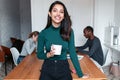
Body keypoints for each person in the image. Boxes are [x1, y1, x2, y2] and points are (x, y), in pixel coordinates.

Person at [37, 1, 88, 80]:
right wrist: (48, 54)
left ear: (64, 16)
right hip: (47, 68)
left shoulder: (69, 31)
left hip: (64, 68)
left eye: (61, 12)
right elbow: (39, 55)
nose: (58, 14)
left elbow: (73, 53)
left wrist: (80, 74)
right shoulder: (43, 33)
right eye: (55, 10)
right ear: (50, 14)